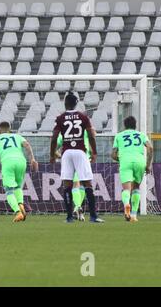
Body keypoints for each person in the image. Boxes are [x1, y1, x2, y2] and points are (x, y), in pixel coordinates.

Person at [50, 93, 104, 223]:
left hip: (67, 152)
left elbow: (54, 137)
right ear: (76, 103)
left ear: (65, 104)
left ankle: (69, 217)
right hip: (80, 152)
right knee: (87, 183)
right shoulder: (83, 117)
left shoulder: (60, 118)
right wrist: (94, 151)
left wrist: (52, 154)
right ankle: (93, 216)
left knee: (67, 184)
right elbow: (91, 135)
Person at [0, 121, 38, 222]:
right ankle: (20, 204)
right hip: (21, 161)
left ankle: (18, 212)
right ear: (9, 130)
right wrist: (32, 159)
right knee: (18, 187)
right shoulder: (17, 136)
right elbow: (27, 145)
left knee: (9, 190)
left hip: (8, 162)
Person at [112, 116, 153, 222]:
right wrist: (148, 165)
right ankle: (134, 215)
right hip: (140, 161)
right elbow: (150, 148)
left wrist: (120, 159)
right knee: (136, 188)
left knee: (126, 189)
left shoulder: (119, 136)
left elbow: (113, 154)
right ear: (135, 125)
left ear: (125, 126)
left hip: (125, 161)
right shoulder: (141, 135)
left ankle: (126, 205)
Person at [56, 131, 91, 221]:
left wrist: (61, 156)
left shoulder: (64, 133)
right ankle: (77, 209)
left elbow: (54, 150)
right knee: (83, 184)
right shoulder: (84, 130)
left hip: (71, 159)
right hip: (84, 158)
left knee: (75, 185)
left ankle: (78, 207)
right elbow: (93, 133)